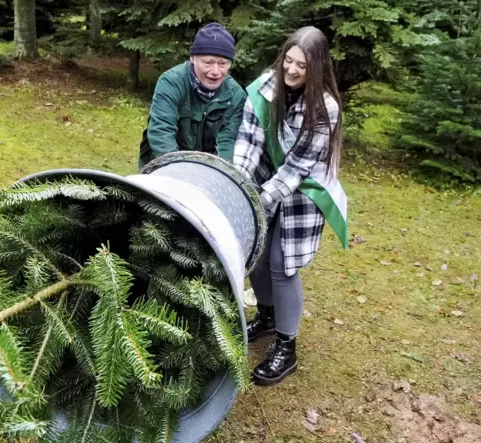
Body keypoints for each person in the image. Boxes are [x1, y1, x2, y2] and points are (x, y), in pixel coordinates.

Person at [233, 26, 349, 386]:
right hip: (266, 177)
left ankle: (287, 347)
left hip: (305, 190)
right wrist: (238, 185)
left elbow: (297, 167)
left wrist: (262, 198)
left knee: (282, 264)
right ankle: (267, 316)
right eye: (289, 60)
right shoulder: (265, 88)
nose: (293, 70)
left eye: (302, 65)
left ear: (316, 69)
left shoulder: (324, 108)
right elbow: (248, 142)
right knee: (257, 249)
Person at [138, 23, 247, 169]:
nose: (216, 71)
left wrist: (216, 175)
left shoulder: (236, 96)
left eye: (223, 64)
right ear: (192, 58)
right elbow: (161, 131)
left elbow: (227, 144)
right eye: (208, 62)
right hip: (163, 165)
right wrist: (177, 170)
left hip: (207, 170)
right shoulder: (171, 82)